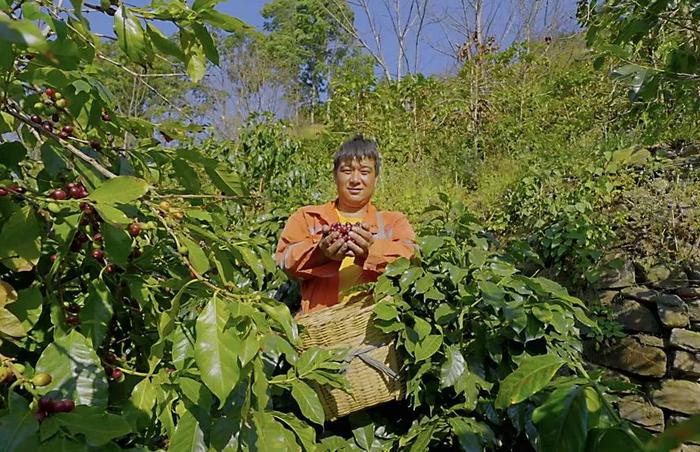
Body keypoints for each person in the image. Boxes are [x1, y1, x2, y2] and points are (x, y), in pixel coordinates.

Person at [275, 136, 417, 314]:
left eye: (365, 172)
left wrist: (372, 251)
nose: (355, 179)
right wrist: (320, 253)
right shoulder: (307, 217)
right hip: (320, 326)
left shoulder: (393, 222)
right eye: (347, 171)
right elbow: (284, 260)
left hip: (374, 327)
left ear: (376, 178)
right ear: (335, 175)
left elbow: (412, 258)